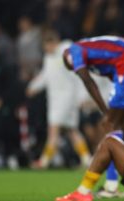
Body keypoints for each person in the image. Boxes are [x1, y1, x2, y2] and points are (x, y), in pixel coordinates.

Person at [63, 35, 124, 194]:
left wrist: (106, 110)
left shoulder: (74, 50)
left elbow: (88, 81)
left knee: (108, 124)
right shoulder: (97, 51)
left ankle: (111, 185)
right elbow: (116, 77)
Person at [27, 30, 91, 169]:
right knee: (72, 131)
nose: (47, 49)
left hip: (67, 98)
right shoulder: (48, 58)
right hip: (55, 99)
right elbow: (45, 76)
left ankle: (43, 162)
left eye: (49, 45)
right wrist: (34, 86)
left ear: (55, 42)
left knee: (53, 129)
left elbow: (79, 74)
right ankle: (86, 159)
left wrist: (82, 96)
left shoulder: (66, 53)